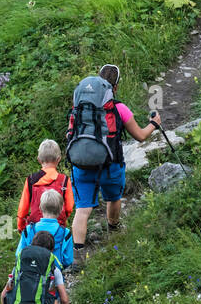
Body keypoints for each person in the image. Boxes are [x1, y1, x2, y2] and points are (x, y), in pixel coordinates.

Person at [65, 64, 164, 268]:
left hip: (81, 164)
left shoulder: (80, 106)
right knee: (113, 198)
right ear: (115, 87)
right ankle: (114, 230)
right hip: (110, 164)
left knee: (82, 209)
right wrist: (154, 124)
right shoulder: (119, 108)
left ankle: (78, 255)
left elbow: (71, 132)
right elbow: (140, 136)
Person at [15, 188, 73, 304]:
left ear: (40, 208)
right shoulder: (65, 233)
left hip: (29, 275)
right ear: (61, 209)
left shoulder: (29, 230)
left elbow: (19, 254)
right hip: (53, 273)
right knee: (52, 296)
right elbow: (68, 259)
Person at [15, 139, 74, 234]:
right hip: (57, 228)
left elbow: (23, 209)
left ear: (39, 160)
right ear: (59, 159)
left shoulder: (31, 180)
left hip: (35, 229)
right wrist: (62, 218)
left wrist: (21, 227)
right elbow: (69, 207)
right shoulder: (64, 181)